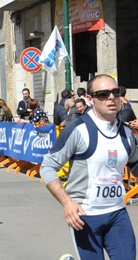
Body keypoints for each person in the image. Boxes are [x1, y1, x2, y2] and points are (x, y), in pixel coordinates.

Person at [40, 74, 138, 260]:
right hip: (85, 216)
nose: (111, 97)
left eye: (115, 92)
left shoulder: (126, 132)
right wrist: (67, 202)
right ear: (91, 99)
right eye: (103, 94)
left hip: (117, 213)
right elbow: (47, 166)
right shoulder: (78, 129)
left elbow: (135, 164)